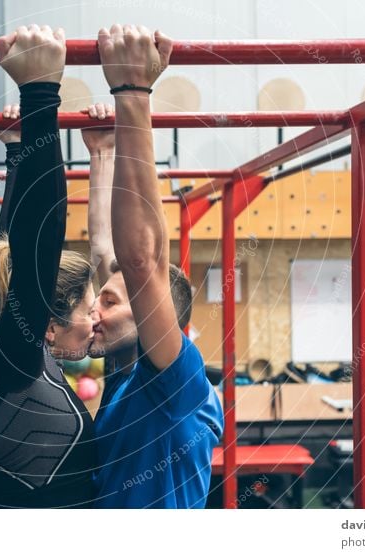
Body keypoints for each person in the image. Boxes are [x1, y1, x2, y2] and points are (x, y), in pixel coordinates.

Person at [87, 24, 224, 509]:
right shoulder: (127, 370)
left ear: (155, 318)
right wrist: (102, 154)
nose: (93, 312)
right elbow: (112, 256)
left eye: (108, 303)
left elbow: (140, 262)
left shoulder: (174, 383)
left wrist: (133, 94)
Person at [0, 25, 97, 508]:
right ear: (47, 322)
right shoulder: (15, 362)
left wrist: (18, 151)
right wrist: (41, 93)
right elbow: (35, 243)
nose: (97, 316)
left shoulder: (10, 355)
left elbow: (11, 246)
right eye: (87, 307)